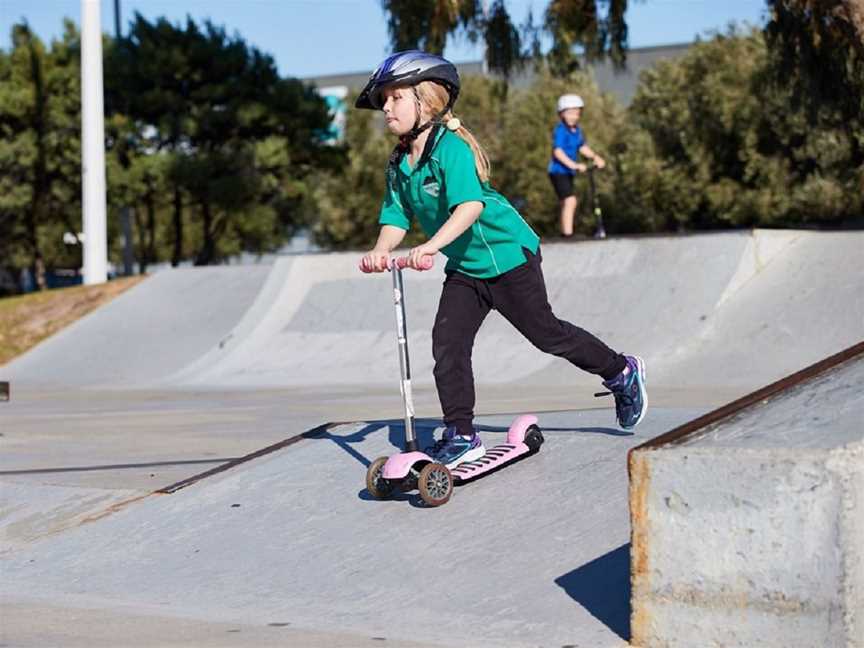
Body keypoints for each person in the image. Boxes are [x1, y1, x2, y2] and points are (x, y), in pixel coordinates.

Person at [358, 51, 646, 469]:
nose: (386, 107)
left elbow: (469, 207)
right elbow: (396, 214)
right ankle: (461, 433)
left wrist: (431, 247)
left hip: (508, 256)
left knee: (547, 334)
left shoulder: (450, 149)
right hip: (467, 269)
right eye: (383, 99)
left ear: (426, 100)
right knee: (448, 344)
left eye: (395, 97)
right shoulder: (400, 163)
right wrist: (381, 251)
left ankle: (621, 372)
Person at [548, 94, 606, 237]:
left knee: (566, 202)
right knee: (570, 200)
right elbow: (558, 152)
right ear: (562, 114)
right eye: (570, 113)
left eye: (576, 113)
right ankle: (567, 235)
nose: (573, 116)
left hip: (568, 173)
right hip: (558, 172)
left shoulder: (577, 130)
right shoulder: (561, 130)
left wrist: (595, 157)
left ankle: (565, 231)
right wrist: (573, 165)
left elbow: (581, 147)